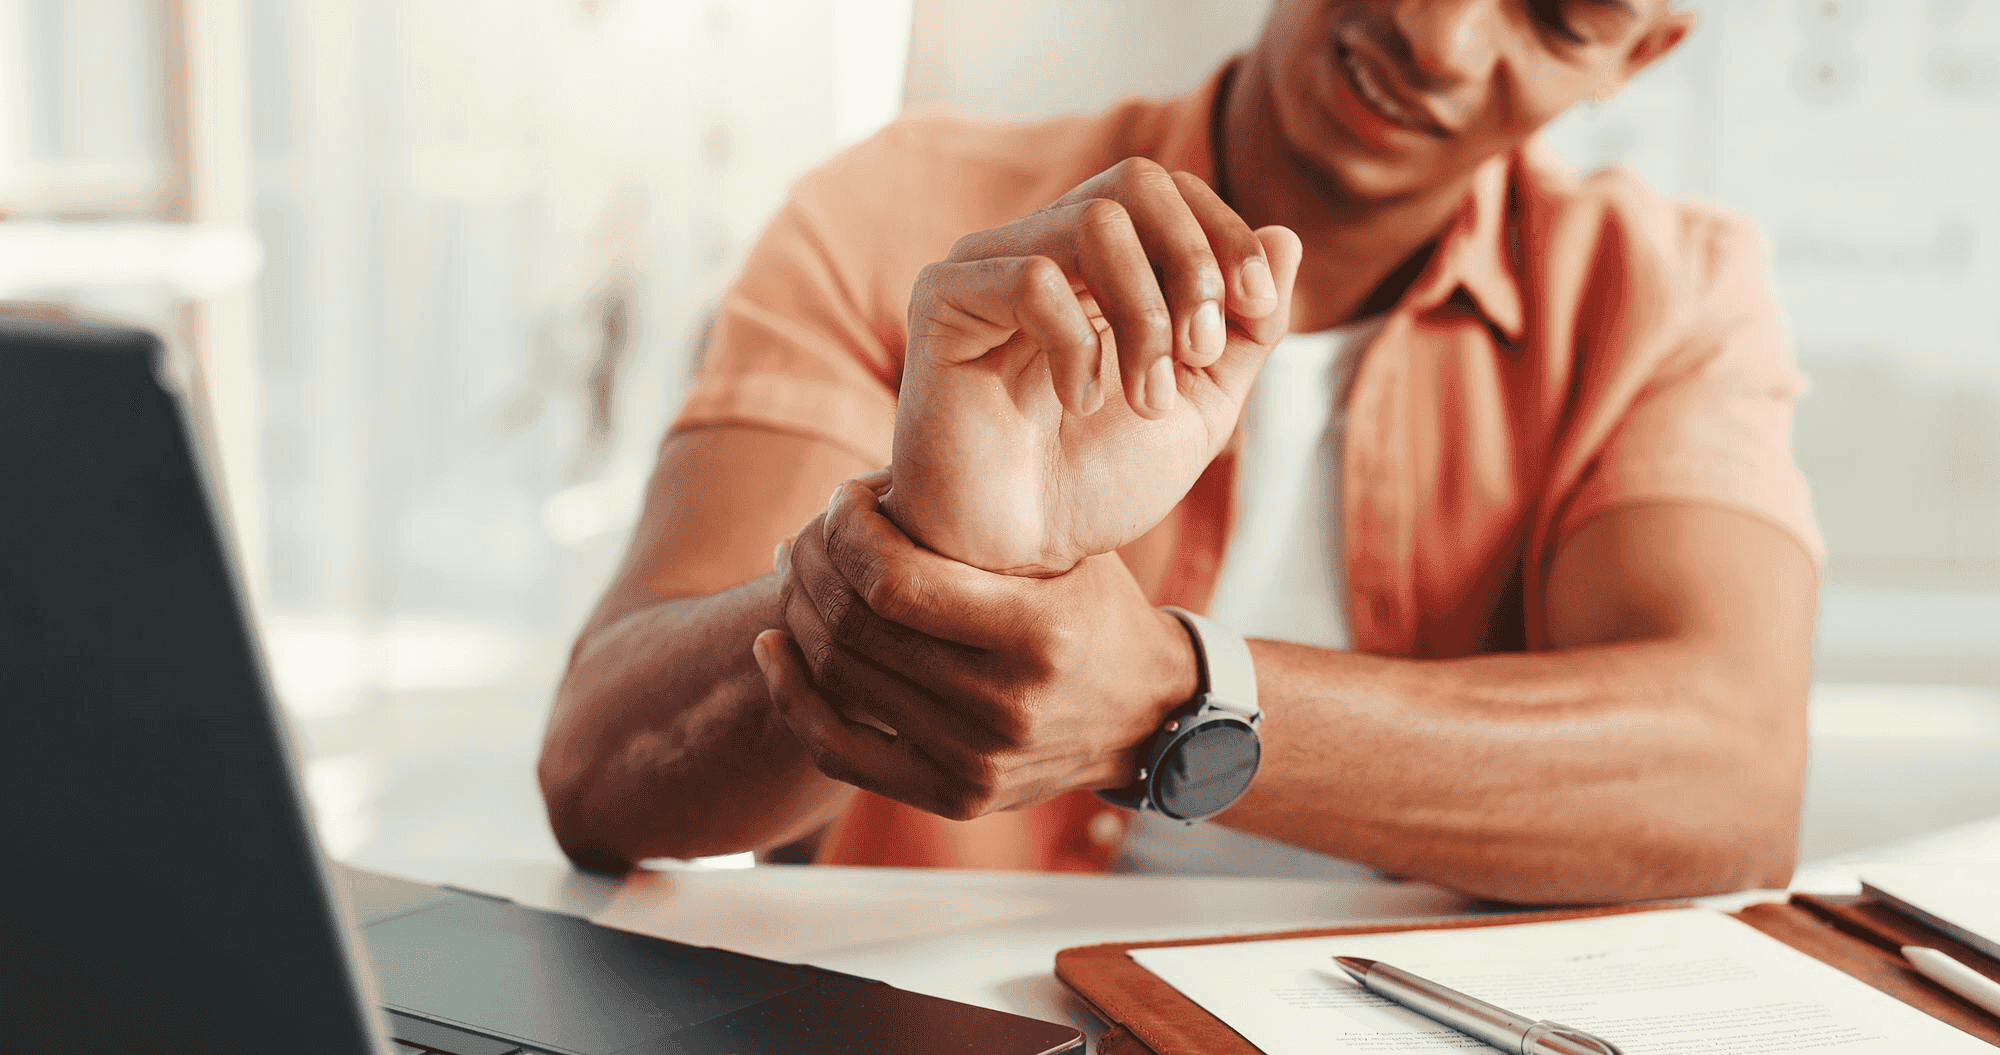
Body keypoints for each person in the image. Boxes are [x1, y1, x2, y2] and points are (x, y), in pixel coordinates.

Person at [537, 0, 1822, 904]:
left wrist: (1169, 698)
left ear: (1636, 55)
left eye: (1559, 11)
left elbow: (1731, 777)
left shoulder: (1673, 294)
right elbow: (599, 776)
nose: (1439, 34)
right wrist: (909, 554)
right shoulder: (903, 220)